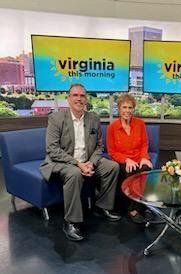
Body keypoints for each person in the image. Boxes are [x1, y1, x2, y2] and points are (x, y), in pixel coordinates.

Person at [40, 84, 121, 242]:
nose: (79, 98)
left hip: (86, 161)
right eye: (75, 95)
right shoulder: (56, 118)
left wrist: (91, 162)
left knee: (112, 167)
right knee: (75, 173)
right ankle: (71, 222)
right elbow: (52, 149)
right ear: (68, 99)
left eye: (82, 96)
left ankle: (103, 206)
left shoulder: (93, 118)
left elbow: (99, 146)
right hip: (62, 161)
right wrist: (78, 164)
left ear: (86, 99)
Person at [107, 93, 153, 223]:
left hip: (139, 158)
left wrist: (144, 157)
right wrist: (126, 160)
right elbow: (112, 152)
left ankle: (143, 205)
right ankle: (134, 209)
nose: (127, 111)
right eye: (124, 107)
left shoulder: (140, 124)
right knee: (131, 171)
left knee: (145, 168)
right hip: (123, 160)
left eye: (130, 107)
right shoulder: (112, 127)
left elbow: (144, 144)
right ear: (119, 109)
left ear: (133, 109)